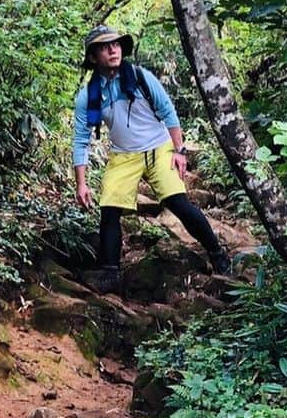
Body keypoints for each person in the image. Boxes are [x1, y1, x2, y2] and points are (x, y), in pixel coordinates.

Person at [73, 24, 230, 294]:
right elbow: (81, 140)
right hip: (124, 155)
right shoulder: (90, 95)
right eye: (104, 47)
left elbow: (168, 112)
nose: (113, 50)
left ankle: (217, 254)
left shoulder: (140, 77)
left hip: (159, 147)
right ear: (93, 57)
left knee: (178, 202)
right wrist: (82, 184)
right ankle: (110, 272)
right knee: (109, 209)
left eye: (116, 44)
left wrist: (179, 151)